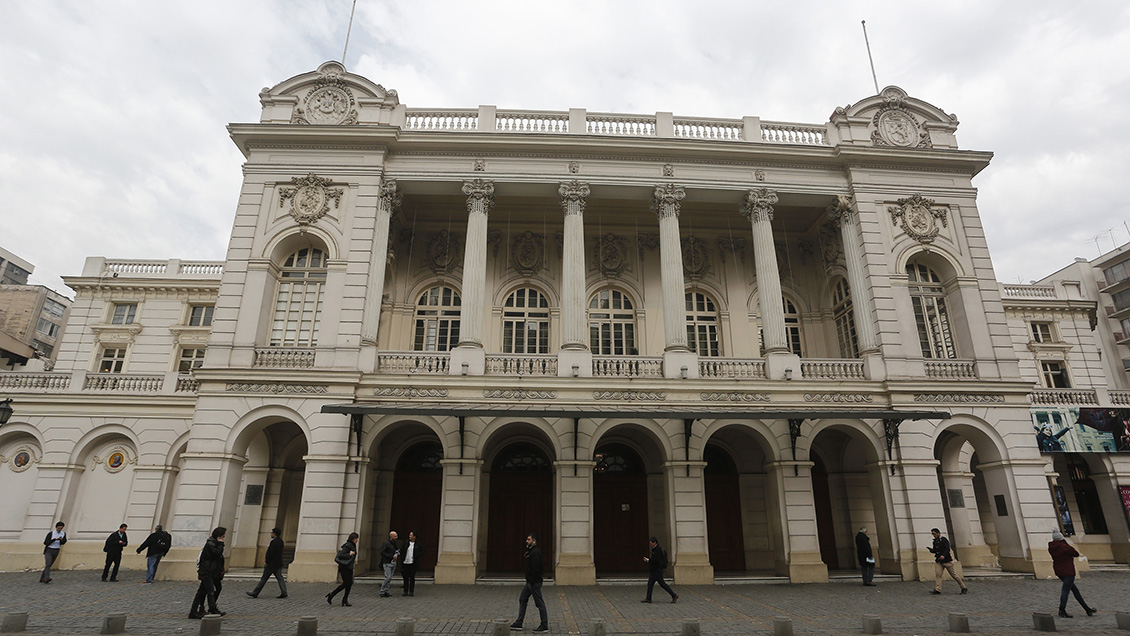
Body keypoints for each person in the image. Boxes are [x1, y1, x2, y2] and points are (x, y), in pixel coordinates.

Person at [1049, 528, 1096, 618]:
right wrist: (1066, 544)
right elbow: (1075, 553)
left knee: (1075, 590)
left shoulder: (1051, 547)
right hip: (1068, 571)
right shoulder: (1064, 547)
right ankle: (1062, 609)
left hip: (1059, 570)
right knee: (1065, 590)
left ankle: (1087, 608)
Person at [511, 533, 549, 632]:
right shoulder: (532, 551)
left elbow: (536, 569)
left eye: (528, 539)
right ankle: (519, 623)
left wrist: (532, 581)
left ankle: (544, 624)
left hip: (533, 583)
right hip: (530, 583)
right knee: (522, 599)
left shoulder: (535, 552)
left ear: (534, 541)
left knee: (539, 603)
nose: (526, 541)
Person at [189, 527, 227, 619]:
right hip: (207, 571)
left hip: (212, 571)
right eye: (223, 535)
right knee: (209, 591)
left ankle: (195, 611)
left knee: (204, 591)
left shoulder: (214, 543)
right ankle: (211, 609)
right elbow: (217, 554)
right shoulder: (211, 544)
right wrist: (221, 543)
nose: (224, 536)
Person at [246, 527, 288, 598]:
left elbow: (270, 553)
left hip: (271, 564)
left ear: (274, 533)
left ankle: (255, 592)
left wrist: (267, 561)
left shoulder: (273, 542)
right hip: (278, 563)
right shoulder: (281, 541)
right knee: (280, 578)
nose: (271, 534)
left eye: (272, 533)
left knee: (264, 578)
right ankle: (284, 592)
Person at [926, 528, 967, 595]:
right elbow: (935, 550)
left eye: (934, 534)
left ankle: (963, 587)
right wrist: (931, 550)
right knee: (938, 574)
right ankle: (937, 589)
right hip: (939, 561)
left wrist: (943, 555)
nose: (933, 535)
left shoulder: (944, 540)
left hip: (947, 561)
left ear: (938, 533)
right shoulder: (935, 541)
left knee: (954, 575)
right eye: (932, 534)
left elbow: (947, 549)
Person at [641, 536, 678, 603]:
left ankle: (674, 595)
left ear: (655, 542)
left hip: (657, 570)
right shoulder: (655, 549)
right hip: (654, 570)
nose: (650, 545)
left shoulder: (658, 550)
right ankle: (648, 598)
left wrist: (648, 560)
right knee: (650, 584)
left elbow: (656, 560)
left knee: (662, 584)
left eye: (651, 543)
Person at [326, 532, 358, 607]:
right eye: (356, 539)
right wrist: (349, 554)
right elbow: (341, 555)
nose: (357, 540)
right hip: (344, 568)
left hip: (349, 567)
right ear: (353, 539)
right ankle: (332, 594)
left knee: (349, 583)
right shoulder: (347, 546)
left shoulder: (352, 545)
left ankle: (344, 599)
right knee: (346, 583)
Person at [378, 530, 399, 598]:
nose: (396, 537)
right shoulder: (386, 544)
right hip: (387, 562)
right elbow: (382, 552)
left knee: (390, 578)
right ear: (391, 537)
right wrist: (390, 556)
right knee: (388, 577)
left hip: (393, 562)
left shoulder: (394, 544)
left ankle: (386, 590)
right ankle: (382, 590)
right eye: (395, 536)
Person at [400, 531, 420, 596]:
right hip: (406, 562)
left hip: (413, 563)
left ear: (414, 537)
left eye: (411, 535)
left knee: (412, 577)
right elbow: (402, 550)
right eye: (409, 535)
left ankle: (411, 591)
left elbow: (422, 551)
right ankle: (405, 591)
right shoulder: (406, 543)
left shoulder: (417, 544)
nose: (409, 536)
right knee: (405, 578)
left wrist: (416, 556)